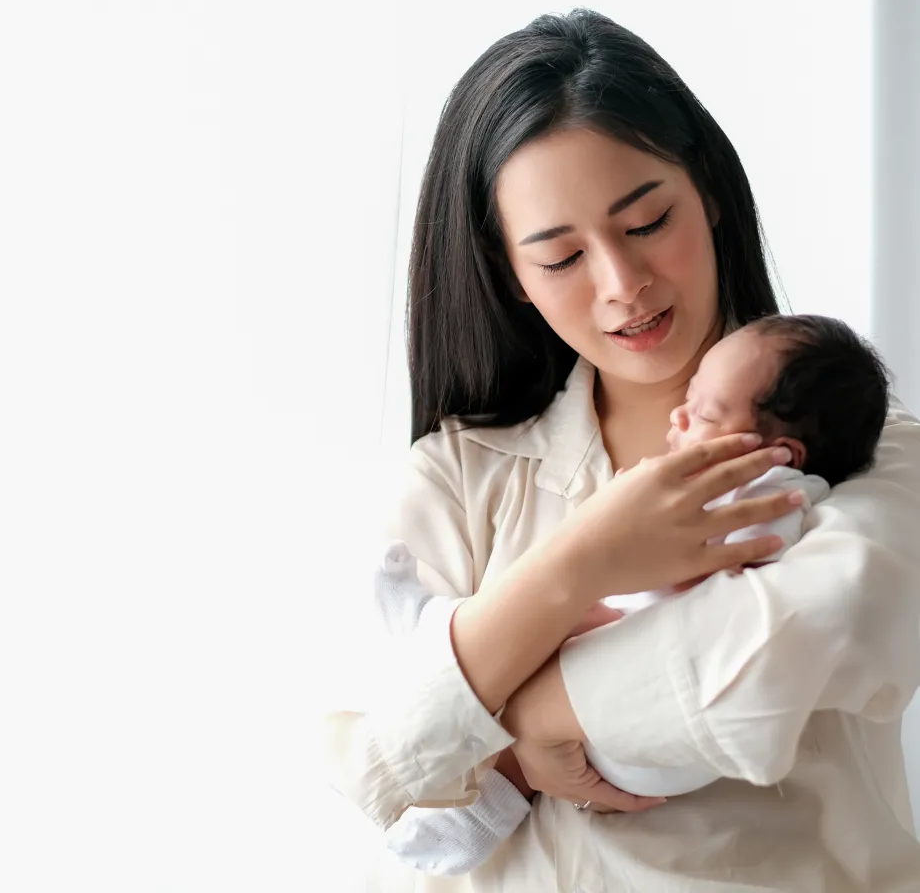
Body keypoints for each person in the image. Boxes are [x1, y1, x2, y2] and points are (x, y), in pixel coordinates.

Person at [322, 9, 920, 892]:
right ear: (510, 275)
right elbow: (383, 779)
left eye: (646, 223)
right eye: (561, 257)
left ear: (707, 191)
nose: (622, 283)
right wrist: (584, 560)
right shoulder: (456, 479)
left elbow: (784, 657)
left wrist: (517, 721)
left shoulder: (873, 454)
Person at [370, 313, 893, 875]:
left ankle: (435, 629)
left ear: (780, 454)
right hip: (647, 747)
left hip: (652, 731)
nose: (679, 417)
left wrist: (617, 549)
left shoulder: (771, 493)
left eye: (704, 415)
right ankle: (457, 819)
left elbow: (733, 589)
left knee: (541, 632)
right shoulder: (454, 464)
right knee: (529, 680)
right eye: (689, 400)